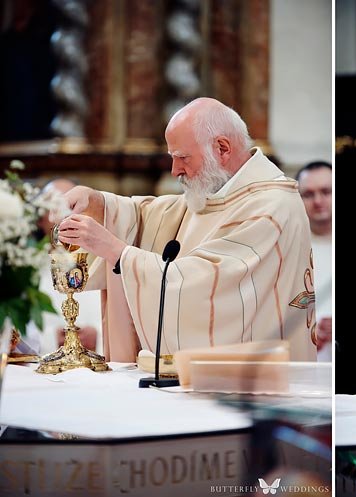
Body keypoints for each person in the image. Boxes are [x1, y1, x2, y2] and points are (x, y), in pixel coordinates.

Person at [57, 97, 317, 361]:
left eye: (182, 157)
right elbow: (150, 216)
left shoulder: (271, 207)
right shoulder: (219, 193)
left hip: (256, 375)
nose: (175, 170)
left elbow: (207, 285)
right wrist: (97, 203)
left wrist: (116, 251)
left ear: (222, 148)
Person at [17, 178, 101, 355]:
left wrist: (99, 335)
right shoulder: (24, 267)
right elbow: (15, 330)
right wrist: (50, 338)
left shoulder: (102, 260)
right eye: (55, 205)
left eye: (72, 206)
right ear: (40, 218)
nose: (65, 214)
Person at [297, 161, 333, 362]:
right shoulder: (286, 246)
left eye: (326, 192)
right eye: (308, 195)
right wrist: (305, 332)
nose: (318, 201)